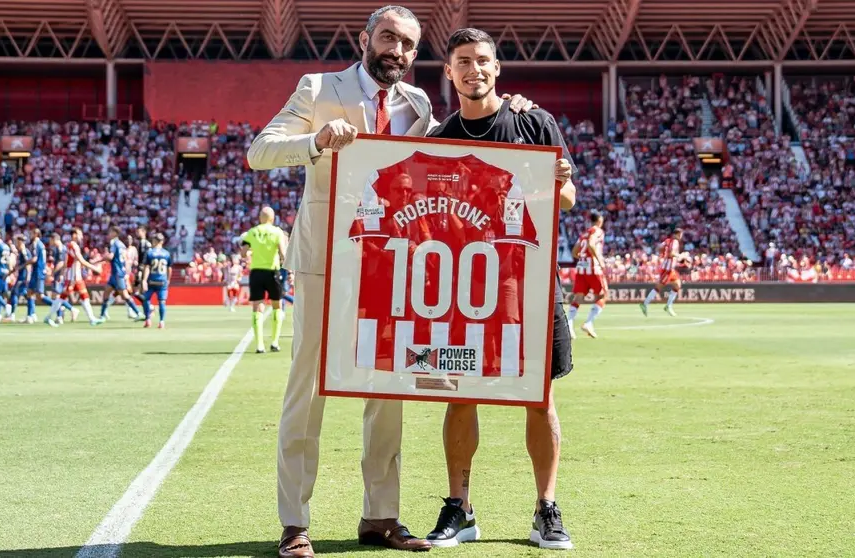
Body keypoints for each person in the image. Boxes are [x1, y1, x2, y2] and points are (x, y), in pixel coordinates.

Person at [247, 5, 536, 556]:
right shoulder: (318, 87)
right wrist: (316, 141)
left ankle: (380, 516)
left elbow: (451, 161)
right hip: (324, 263)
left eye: (407, 44)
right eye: (387, 38)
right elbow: (259, 150)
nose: (396, 51)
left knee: (387, 391)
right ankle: (294, 524)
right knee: (307, 393)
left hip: (390, 267)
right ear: (365, 38)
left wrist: (516, 110)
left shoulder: (419, 103)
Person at [422, 28, 577, 551]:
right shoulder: (440, 139)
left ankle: (546, 509)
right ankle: (460, 509)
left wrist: (558, 179)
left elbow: (570, 196)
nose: (474, 69)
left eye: (482, 60)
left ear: (497, 67)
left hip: (528, 282)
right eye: (462, 61)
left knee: (539, 398)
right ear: (449, 72)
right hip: (464, 287)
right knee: (459, 394)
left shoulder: (533, 120)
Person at [238, 207, 288, 353]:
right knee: (277, 306)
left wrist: (253, 251)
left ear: (260, 217)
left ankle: (259, 345)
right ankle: (274, 342)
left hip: (256, 272)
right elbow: (283, 253)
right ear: (272, 218)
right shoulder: (277, 232)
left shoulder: (252, 232)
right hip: (273, 271)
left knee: (257, 307)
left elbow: (242, 253)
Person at [568, 211, 607, 339]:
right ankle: (589, 323)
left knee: (579, 297)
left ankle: (569, 323)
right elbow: (591, 244)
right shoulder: (598, 231)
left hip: (581, 267)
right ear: (599, 220)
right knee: (602, 295)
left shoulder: (584, 233)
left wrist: (582, 258)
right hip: (593, 267)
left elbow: (574, 252)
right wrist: (599, 260)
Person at [98, 226, 143, 321]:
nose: (108, 235)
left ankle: (138, 313)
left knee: (125, 295)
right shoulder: (122, 244)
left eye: (110, 232)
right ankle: (102, 316)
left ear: (115, 233)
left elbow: (111, 256)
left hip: (118, 273)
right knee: (106, 292)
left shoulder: (114, 243)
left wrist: (100, 259)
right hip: (116, 273)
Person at [640, 228, 686, 317]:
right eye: (680, 235)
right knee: (659, 287)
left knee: (677, 284)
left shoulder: (667, 240)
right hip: (667, 269)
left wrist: (662, 254)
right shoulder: (675, 242)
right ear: (677, 234)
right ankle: (645, 304)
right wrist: (680, 256)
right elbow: (671, 253)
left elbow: (659, 247)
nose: (681, 237)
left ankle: (668, 306)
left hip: (670, 268)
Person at [142, 233, 172, 329]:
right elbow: (169, 268)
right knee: (162, 302)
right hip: (162, 281)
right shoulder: (167, 253)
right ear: (162, 242)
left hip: (152, 280)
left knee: (146, 299)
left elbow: (147, 267)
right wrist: (168, 279)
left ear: (155, 241)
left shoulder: (150, 252)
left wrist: (144, 280)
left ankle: (148, 320)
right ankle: (162, 321)